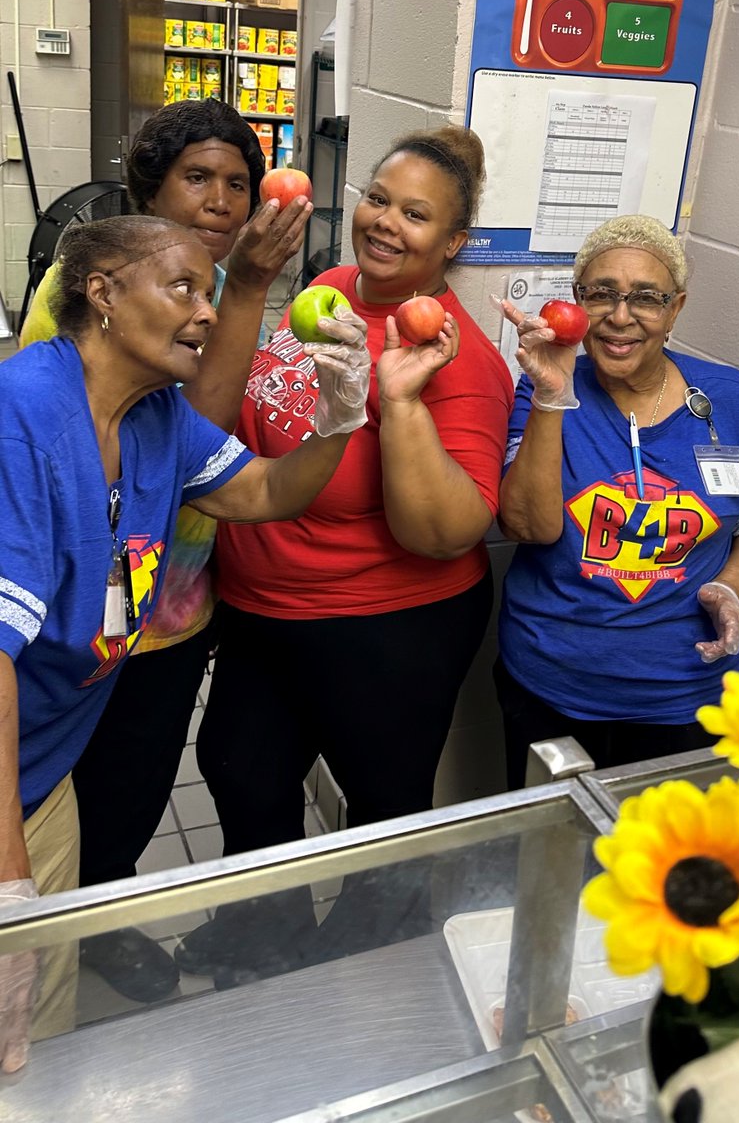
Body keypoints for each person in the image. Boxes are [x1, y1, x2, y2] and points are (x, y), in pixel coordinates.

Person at [0, 215, 370, 1070]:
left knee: (32, 1019)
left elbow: (268, 492)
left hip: (44, 772)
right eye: (184, 289)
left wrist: (338, 419)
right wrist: (10, 876)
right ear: (101, 294)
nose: (208, 314)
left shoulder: (159, 417)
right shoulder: (23, 417)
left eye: (212, 292)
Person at [174, 125, 514, 982]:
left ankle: (358, 966)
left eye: (416, 214)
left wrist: (398, 404)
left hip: (387, 627)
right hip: (262, 609)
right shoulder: (325, 288)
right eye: (377, 198)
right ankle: (263, 935)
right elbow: (232, 433)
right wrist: (249, 283)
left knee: (383, 809)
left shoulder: (458, 359)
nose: (385, 222)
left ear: (454, 243)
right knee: (242, 772)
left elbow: (444, 532)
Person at [19, 99, 311, 1002]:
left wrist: (341, 414)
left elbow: (225, 467)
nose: (222, 201)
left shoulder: (222, 290)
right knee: (56, 780)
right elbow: (193, 424)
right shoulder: (80, 302)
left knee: (128, 791)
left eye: (238, 182)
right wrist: (246, 292)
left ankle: (92, 924)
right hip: (59, 621)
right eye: (198, 178)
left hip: (167, 606)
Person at [494, 215, 739, 788]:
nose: (621, 316)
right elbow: (526, 527)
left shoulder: (732, 400)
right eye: (601, 294)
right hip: (553, 685)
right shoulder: (543, 385)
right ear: (577, 303)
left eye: (646, 298)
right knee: (552, 864)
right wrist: (555, 398)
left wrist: (731, 586)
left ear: (675, 309)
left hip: (688, 694)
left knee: (666, 866)